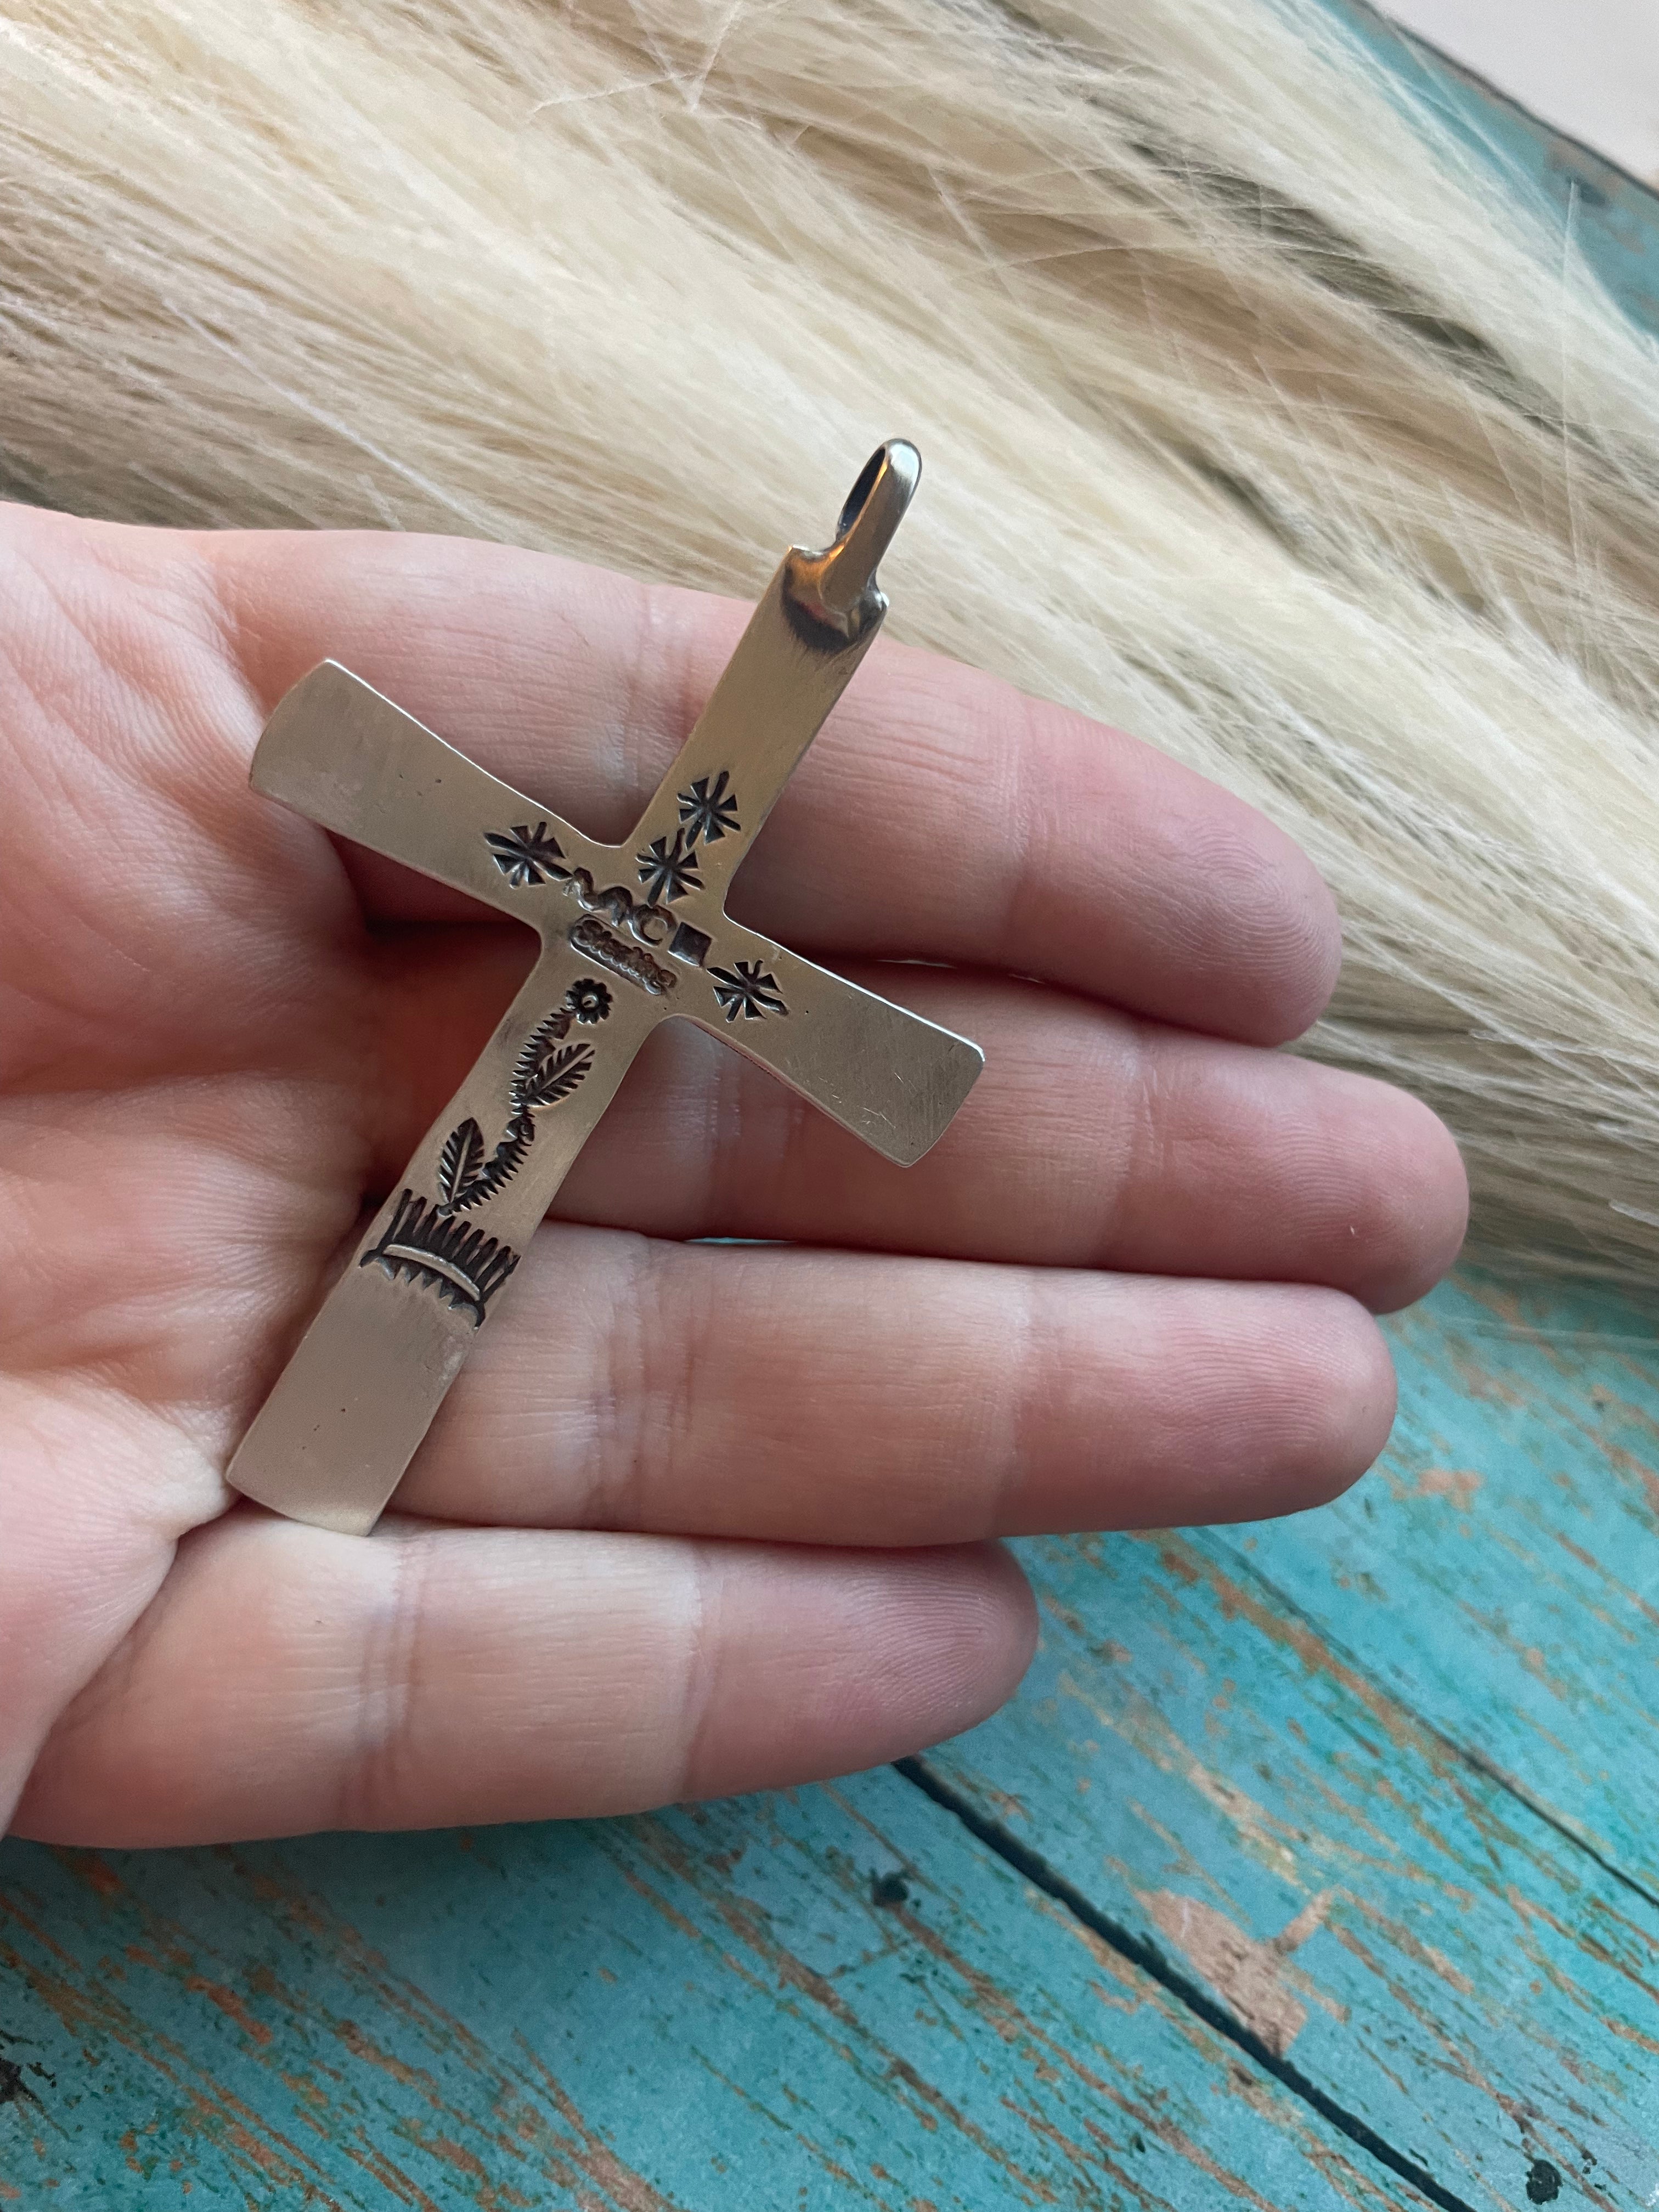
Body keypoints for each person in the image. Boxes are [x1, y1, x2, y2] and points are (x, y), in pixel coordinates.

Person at [0, 506, 1467, 1846]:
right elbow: (342, 756)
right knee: (501, 1147)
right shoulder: (577, 882)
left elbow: (882, 1066)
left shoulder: (674, 921)